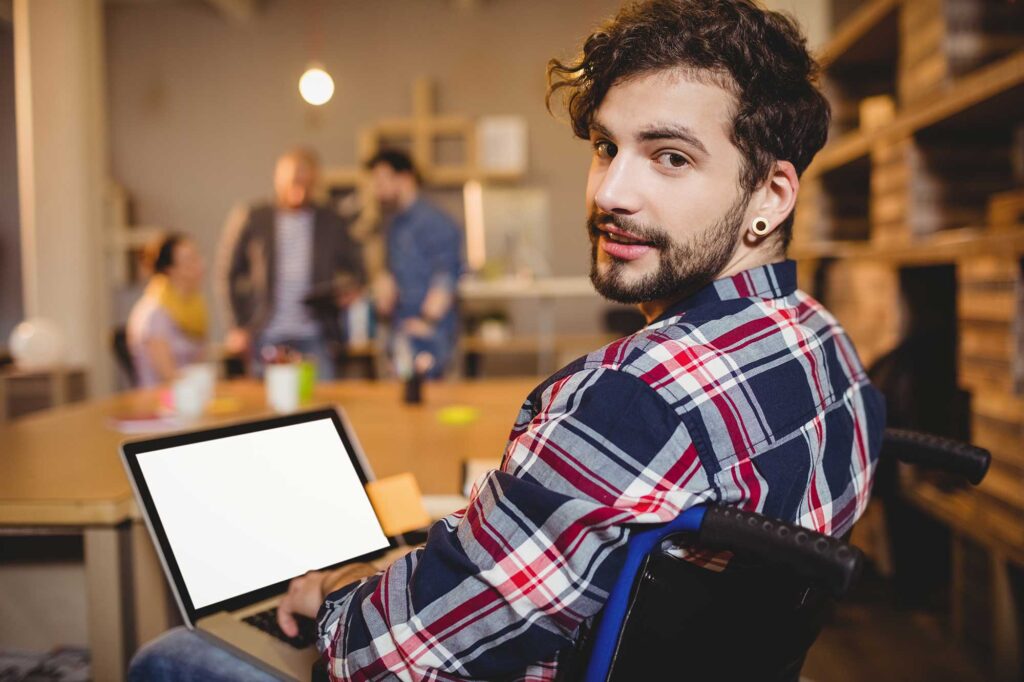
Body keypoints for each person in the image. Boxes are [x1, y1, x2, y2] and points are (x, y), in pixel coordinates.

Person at [130, 1, 886, 679]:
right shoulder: (827, 343)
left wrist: (332, 595)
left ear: (771, 194)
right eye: (604, 146)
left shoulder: (631, 398)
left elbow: (390, 656)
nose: (612, 192)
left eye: (671, 157)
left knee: (169, 655)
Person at [216, 148, 365, 380]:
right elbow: (228, 273)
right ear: (279, 178)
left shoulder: (331, 220)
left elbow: (358, 270)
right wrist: (237, 326)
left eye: (307, 182)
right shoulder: (254, 217)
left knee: (321, 403)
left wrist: (348, 293)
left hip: (316, 334)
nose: (300, 189)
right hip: (266, 331)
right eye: (294, 180)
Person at [367, 149, 462, 379]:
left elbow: (447, 275)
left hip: (428, 334)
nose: (376, 189)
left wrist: (426, 321)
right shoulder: (395, 223)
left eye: (382, 180)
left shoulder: (433, 221)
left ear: (405, 178)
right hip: (402, 329)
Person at [127, 233, 208, 388]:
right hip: (160, 401)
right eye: (190, 261)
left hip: (190, 396)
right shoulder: (155, 313)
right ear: (170, 270)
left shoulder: (194, 308)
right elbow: (168, 376)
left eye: (197, 257)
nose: (200, 265)